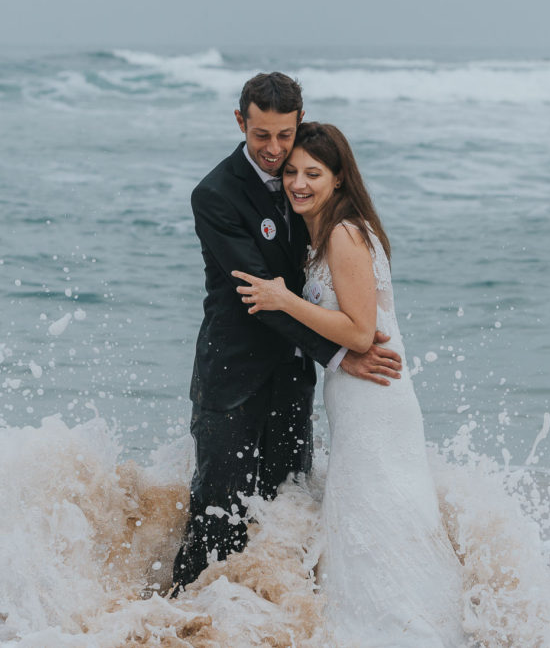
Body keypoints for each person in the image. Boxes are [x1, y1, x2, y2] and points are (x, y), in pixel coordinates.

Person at [232, 122, 464, 647]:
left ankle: (402, 631)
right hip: (358, 392)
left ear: (339, 179)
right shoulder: (325, 232)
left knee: (377, 506)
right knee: (367, 509)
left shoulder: (343, 233)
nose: (298, 183)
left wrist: (284, 299)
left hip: (374, 395)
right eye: (291, 172)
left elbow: (361, 331)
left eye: (313, 173)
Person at [173, 74, 404, 592]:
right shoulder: (214, 195)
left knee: (285, 508)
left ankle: (267, 620)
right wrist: (342, 355)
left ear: (298, 122)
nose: (275, 150)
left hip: (293, 376)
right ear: (241, 123)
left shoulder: (310, 183)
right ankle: (176, 617)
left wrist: (339, 348)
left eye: (284, 134)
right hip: (234, 375)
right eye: (261, 136)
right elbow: (259, 297)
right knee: (217, 515)